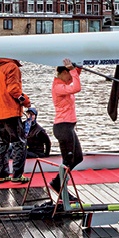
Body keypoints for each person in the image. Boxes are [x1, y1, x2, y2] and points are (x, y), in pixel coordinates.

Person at [0, 57, 31, 183]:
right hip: (10, 112)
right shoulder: (12, 67)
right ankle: (17, 174)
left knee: (1, 144)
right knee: (19, 143)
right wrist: (26, 101)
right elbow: (14, 90)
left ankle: (2, 174)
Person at [51, 58, 84, 194]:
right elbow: (77, 87)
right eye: (69, 74)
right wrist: (73, 70)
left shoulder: (64, 82)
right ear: (64, 72)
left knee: (78, 157)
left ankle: (57, 182)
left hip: (68, 127)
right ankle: (60, 187)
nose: (71, 78)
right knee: (68, 160)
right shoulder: (58, 87)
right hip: (62, 127)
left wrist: (79, 65)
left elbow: (75, 77)